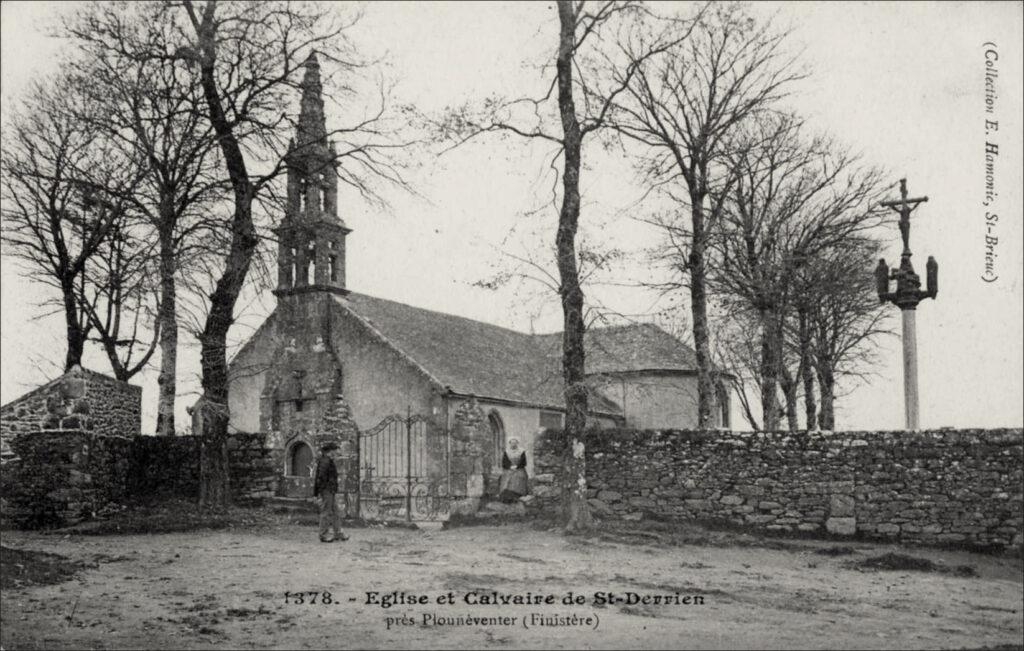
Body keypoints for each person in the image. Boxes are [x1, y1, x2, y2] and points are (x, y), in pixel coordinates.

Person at [313, 442, 349, 543]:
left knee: (335, 512)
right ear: (331, 451)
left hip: (329, 490)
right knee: (326, 512)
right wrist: (319, 492)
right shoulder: (325, 461)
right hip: (327, 490)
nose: (338, 452)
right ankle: (323, 534)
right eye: (336, 450)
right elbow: (320, 478)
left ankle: (338, 533)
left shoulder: (328, 460)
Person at [498, 437, 529, 503]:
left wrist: (517, 466)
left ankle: (518, 496)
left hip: (519, 468)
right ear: (510, 443)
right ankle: (506, 497)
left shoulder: (521, 451)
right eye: (512, 443)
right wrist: (510, 467)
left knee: (519, 477)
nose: (513, 444)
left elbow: (524, 462)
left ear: (517, 443)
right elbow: (504, 462)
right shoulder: (507, 451)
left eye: (515, 443)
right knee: (506, 478)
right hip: (509, 469)